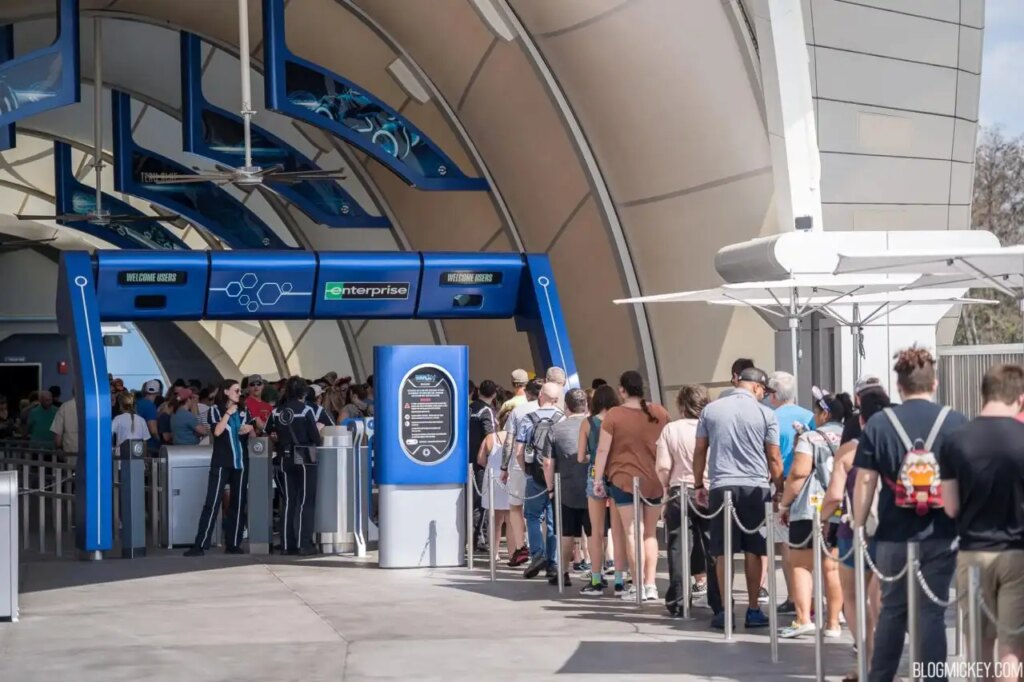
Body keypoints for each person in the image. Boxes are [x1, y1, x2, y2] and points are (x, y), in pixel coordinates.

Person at [852, 346, 966, 682]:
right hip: (941, 533)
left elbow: (865, 481)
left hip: (892, 534)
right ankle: (933, 678)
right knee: (932, 612)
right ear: (935, 383)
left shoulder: (879, 424)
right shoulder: (955, 422)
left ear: (898, 386)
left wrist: (859, 525)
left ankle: (881, 677)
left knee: (892, 612)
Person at [940, 364, 1024, 678]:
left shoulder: (955, 439)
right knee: (1012, 646)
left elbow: (950, 506)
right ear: (1019, 397)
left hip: (972, 551)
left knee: (979, 641)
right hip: (1017, 552)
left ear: (983, 393)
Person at [693, 366, 782, 629]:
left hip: (722, 486)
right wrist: (780, 486)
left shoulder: (711, 410)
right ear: (756, 387)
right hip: (756, 488)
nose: (764, 395)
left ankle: (725, 610)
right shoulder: (767, 414)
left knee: (723, 551)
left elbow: (700, 450)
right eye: (764, 390)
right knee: (755, 549)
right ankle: (754, 609)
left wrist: (699, 483)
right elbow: (774, 457)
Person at [822, 389, 890, 682]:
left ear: (861, 421)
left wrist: (823, 521)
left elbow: (835, 495)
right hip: (890, 531)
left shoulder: (848, 451)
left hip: (854, 531)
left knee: (853, 598)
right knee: (884, 599)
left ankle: (867, 659)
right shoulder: (897, 445)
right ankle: (886, 663)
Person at [592, 371, 670, 603]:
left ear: (622, 390)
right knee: (650, 533)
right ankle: (651, 584)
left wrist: (597, 479)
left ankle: (636, 585)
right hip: (655, 480)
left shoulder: (614, 415)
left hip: (623, 479)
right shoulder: (660, 413)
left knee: (631, 532)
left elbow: (603, 450)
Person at [777, 387, 845, 639]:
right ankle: (834, 623)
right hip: (839, 509)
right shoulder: (850, 437)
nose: (814, 417)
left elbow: (798, 474)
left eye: (816, 412)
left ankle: (803, 618)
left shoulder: (810, 438)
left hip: (809, 508)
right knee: (833, 566)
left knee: (801, 564)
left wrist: (785, 504)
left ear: (824, 414)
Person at [658, 384, 722, 616]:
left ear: (682, 405)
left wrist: (665, 490)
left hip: (679, 490)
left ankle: (678, 600)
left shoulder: (671, 429)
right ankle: (718, 600)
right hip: (710, 491)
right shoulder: (714, 427)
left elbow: (663, 466)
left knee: (677, 546)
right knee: (713, 547)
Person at [184, 379, 255, 556]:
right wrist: (229, 414)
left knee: (238, 503)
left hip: (241, 462)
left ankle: (234, 543)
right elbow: (216, 432)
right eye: (236, 390)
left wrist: (249, 428)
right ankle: (200, 544)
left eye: (240, 391)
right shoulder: (215, 410)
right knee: (213, 502)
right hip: (222, 461)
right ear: (225, 392)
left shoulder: (244, 410)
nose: (239, 394)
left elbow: (253, 432)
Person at [768, 371, 814, 614]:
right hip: (810, 484)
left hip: (782, 483)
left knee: (787, 542)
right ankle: (812, 594)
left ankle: (794, 596)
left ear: (774, 395)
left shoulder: (770, 417)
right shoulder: (809, 416)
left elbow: (770, 454)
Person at [513, 382, 564, 580]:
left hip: (535, 475)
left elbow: (519, 451)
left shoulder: (528, 419)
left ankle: (537, 555)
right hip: (556, 477)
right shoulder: (562, 418)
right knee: (552, 520)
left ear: (541, 395)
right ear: (557, 398)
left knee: (533, 516)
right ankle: (553, 563)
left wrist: (527, 471)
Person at [266, 377, 322, 556]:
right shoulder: (305, 410)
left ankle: (286, 544)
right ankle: (305, 544)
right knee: (306, 500)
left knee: (288, 501)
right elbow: (315, 437)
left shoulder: (276, 412)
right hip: (304, 454)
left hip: (284, 456)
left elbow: (268, 430)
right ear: (303, 392)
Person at [578, 384, 623, 596]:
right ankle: (621, 579)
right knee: (618, 530)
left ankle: (596, 579)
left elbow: (580, 457)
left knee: (596, 532)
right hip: (616, 474)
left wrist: (594, 457)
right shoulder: (619, 421)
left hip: (594, 475)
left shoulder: (587, 423)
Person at [548, 388, 590, 587]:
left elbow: (548, 462)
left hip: (565, 488)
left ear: (566, 406)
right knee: (596, 533)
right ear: (586, 405)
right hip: (593, 488)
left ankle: (563, 572)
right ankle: (599, 571)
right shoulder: (595, 425)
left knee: (565, 534)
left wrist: (550, 488)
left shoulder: (556, 429)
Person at [500, 378, 541, 567]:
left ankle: (520, 546)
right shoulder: (555, 410)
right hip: (543, 464)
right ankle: (543, 547)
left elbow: (509, 442)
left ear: (527, 392)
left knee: (516, 507)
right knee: (543, 509)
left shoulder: (517, 411)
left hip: (519, 462)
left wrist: (503, 467)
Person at [470, 380, 499, 551]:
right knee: (481, 502)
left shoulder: (470, 407)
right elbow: (490, 437)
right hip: (481, 463)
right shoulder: (487, 410)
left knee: (471, 500)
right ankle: (478, 539)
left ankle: (472, 538)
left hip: (467, 460)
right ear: (494, 394)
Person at [479, 412, 511, 563]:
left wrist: (491, 466)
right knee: (512, 519)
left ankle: (494, 553)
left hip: (493, 477)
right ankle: (513, 553)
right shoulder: (515, 437)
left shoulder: (490, 437)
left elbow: (480, 458)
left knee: (495, 520)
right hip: (510, 477)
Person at [136, 380, 162, 453]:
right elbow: (153, 431)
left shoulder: (138, 403)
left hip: (138, 444)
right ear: (159, 392)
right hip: (149, 446)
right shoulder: (150, 406)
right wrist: (161, 444)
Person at [50, 393, 79, 459]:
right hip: (91, 453)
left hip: (70, 451)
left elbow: (57, 431)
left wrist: (58, 448)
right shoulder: (95, 406)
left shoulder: (65, 407)